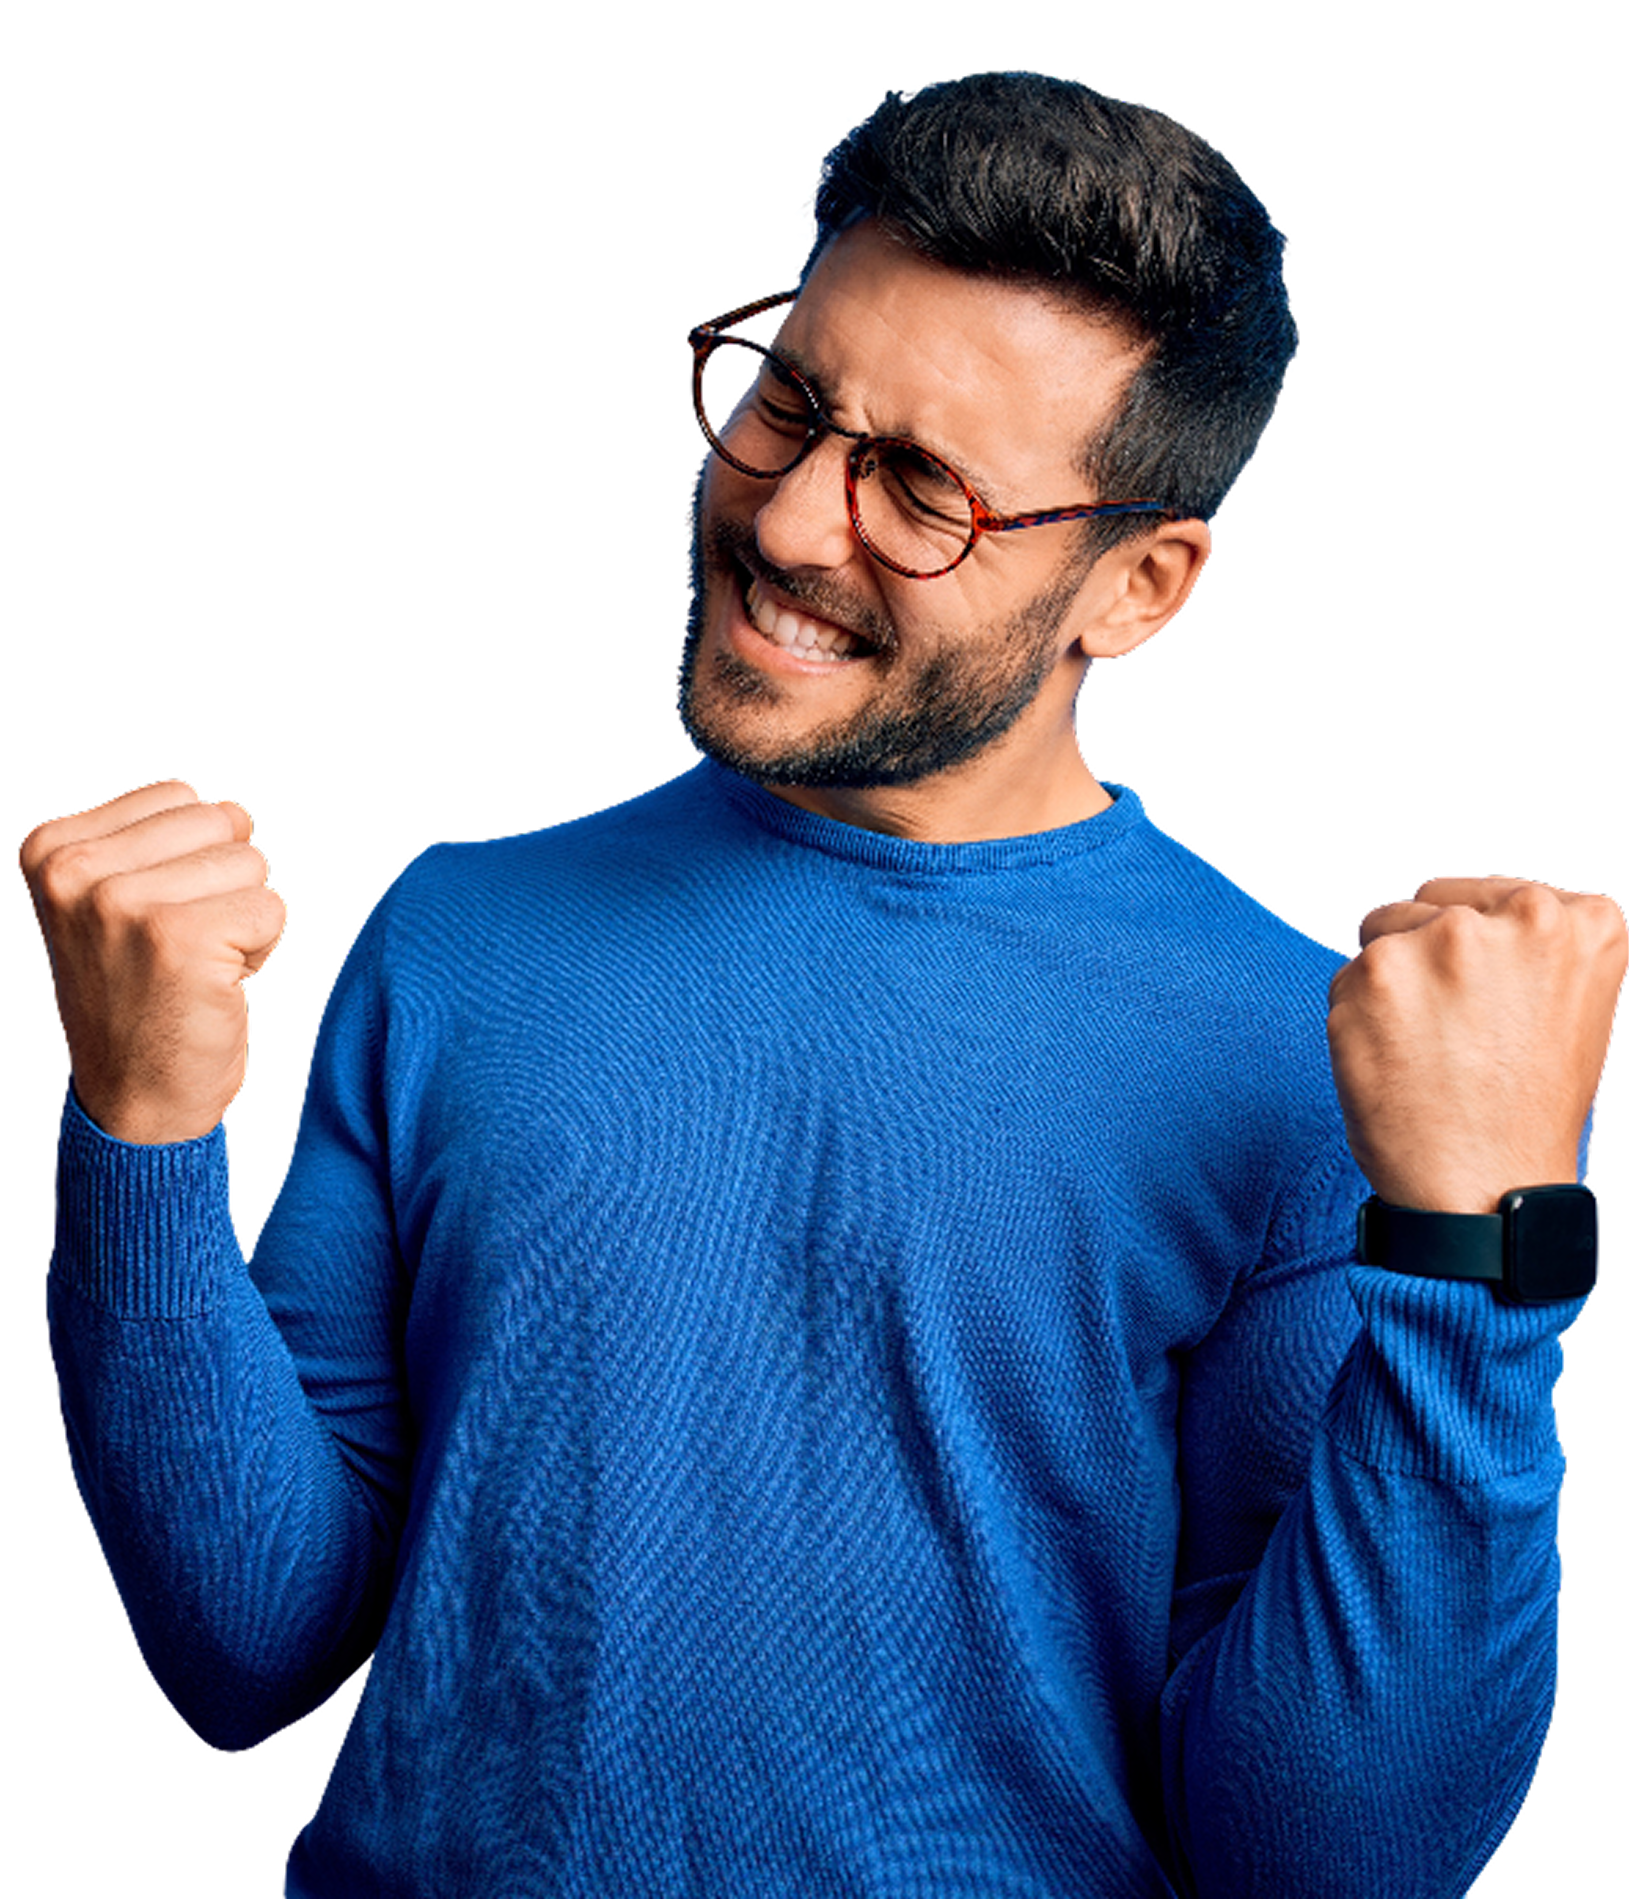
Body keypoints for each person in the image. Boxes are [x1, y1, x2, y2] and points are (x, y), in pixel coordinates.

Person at [20, 70, 1625, 1898]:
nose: (788, 526)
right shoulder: (461, 928)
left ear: (1144, 586)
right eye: (787, 402)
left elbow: (1331, 1860)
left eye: (925, 491)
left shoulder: (1300, 1058)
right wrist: (139, 1123)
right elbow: (250, 1656)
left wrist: (1485, 1257)